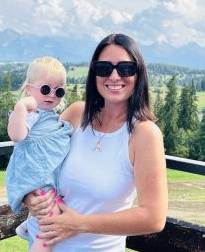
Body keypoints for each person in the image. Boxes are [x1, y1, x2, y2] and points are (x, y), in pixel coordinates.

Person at [24, 33, 168, 251]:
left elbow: (153, 218)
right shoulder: (76, 114)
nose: (114, 75)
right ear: (94, 74)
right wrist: (27, 197)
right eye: (103, 68)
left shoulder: (145, 134)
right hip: (38, 243)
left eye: (125, 68)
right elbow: (35, 160)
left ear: (138, 74)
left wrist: (79, 224)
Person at [5, 56, 73, 252]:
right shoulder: (30, 115)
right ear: (28, 89)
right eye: (45, 89)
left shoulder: (53, 118)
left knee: (52, 212)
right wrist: (20, 108)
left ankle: (30, 226)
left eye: (58, 91)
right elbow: (17, 136)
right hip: (37, 177)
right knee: (48, 232)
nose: (51, 95)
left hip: (47, 181)